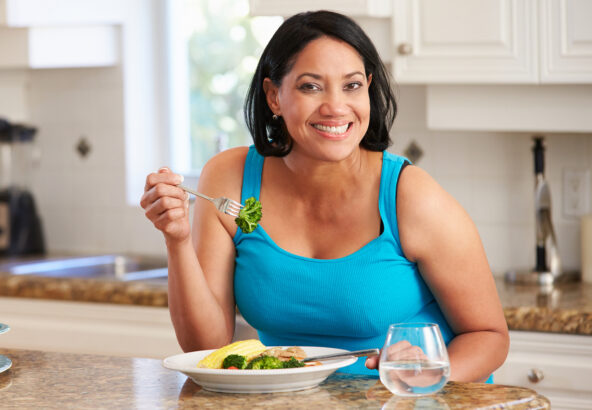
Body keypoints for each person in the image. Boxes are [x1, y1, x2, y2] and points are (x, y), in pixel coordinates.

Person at [140, 10, 508, 381]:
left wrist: (426, 377)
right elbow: (206, 345)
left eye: (351, 86)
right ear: (274, 97)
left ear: (368, 88)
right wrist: (178, 239)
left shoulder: (409, 196)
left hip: (410, 402)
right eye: (310, 86)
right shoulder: (228, 178)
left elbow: (489, 336)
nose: (335, 107)